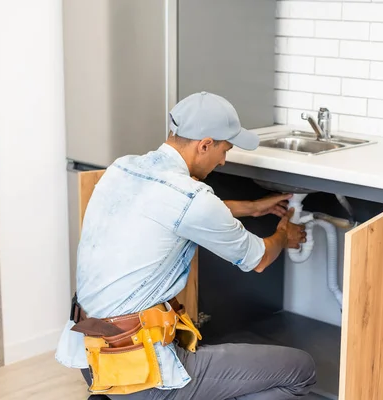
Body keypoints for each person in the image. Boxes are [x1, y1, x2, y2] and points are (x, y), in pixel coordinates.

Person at [55, 91, 317, 399]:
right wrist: (284, 235)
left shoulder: (122, 169)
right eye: (225, 149)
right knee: (301, 368)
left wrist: (250, 208)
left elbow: (172, 211)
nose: (223, 160)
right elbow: (259, 258)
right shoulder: (193, 200)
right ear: (205, 144)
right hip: (140, 372)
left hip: (93, 356)